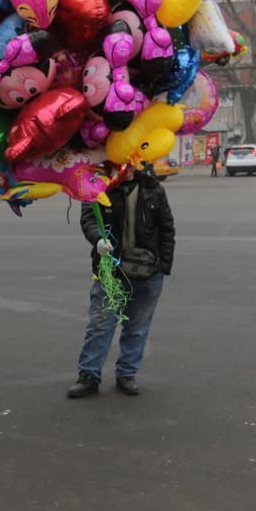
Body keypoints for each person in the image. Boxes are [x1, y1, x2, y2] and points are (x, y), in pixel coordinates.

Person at [67, 163, 175, 398]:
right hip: (111, 270)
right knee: (100, 324)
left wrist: (163, 266)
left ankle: (126, 373)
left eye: (128, 161)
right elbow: (89, 221)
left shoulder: (153, 188)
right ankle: (89, 375)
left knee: (136, 328)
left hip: (148, 272)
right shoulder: (97, 188)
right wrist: (98, 240)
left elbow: (167, 229)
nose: (123, 167)